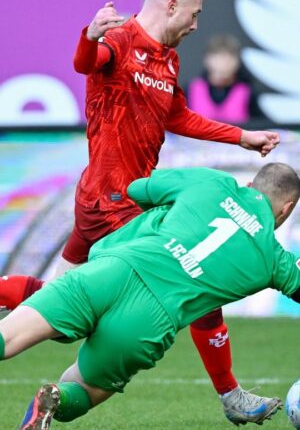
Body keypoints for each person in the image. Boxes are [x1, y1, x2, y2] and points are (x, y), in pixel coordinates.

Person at [0, 0, 280, 422]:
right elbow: (88, 62)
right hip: (114, 201)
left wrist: (242, 137)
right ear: (172, 4)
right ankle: (230, 397)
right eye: (195, 12)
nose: (195, 23)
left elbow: (177, 116)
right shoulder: (119, 39)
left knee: (59, 302)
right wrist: (88, 36)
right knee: (195, 275)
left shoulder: (167, 59)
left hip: (115, 196)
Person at [3, 162, 300, 429]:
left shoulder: (212, 183)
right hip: (150, 318)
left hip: (113, 270)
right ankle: (54, 398)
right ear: (286, 210)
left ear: (250, 185)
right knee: (83, 388)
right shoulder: (275, 261)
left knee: (10, 336)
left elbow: (137, 188)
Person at [188, 34, 264, 123]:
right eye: (217, 57)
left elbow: (260, 125)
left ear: (238, 62)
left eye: (229, 57)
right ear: (207, 60)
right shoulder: (191, 89)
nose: (223, 63)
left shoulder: (247, 92)